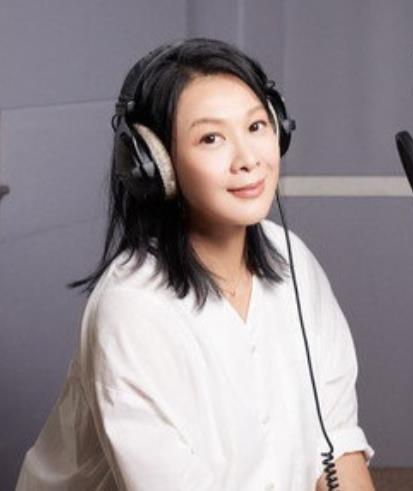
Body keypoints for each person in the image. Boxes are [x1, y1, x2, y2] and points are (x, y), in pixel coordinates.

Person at [16, 38, 375, 491]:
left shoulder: (292, 260)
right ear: (155, 165)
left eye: (256, 126)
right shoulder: (133, 310)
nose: (248, 159)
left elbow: (337, 444)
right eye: (211, 138)